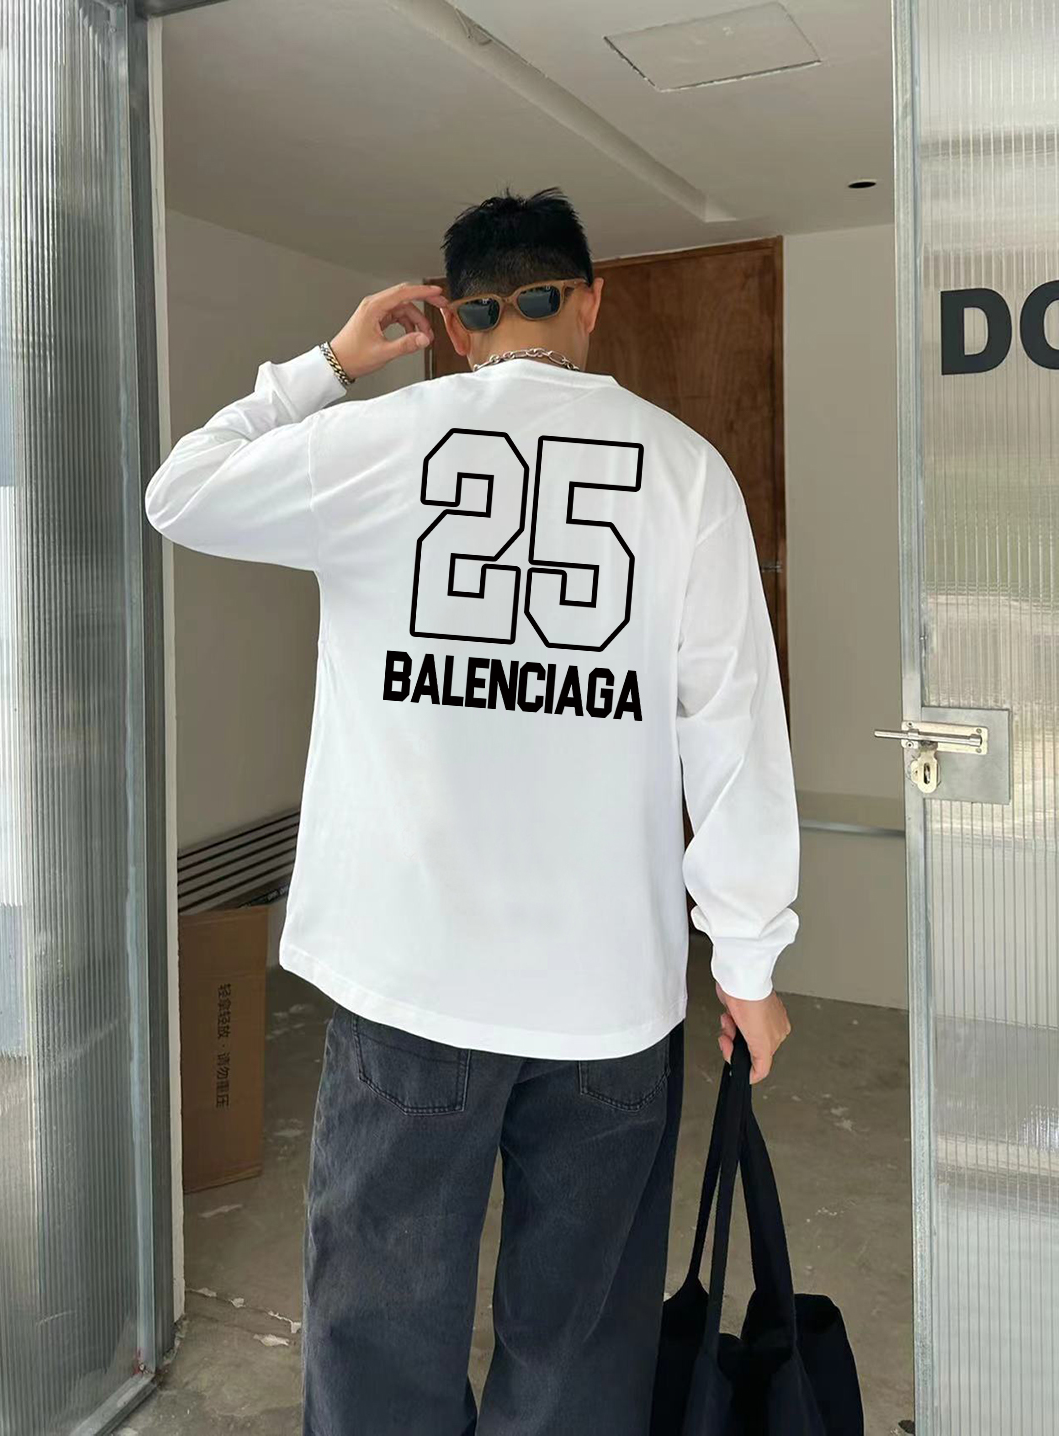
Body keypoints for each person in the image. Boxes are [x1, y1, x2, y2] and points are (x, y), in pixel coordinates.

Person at [145, 188, 798, 1436]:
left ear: (450, 319)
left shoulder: (372, 444)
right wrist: (749, 960)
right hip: (607, 996)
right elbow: (735, 734)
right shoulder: (685, 473)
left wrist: (331, 365)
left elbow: (180, 493)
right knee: (582, 1339)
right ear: (591, 299)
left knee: (379, 1321)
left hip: (408, 981)